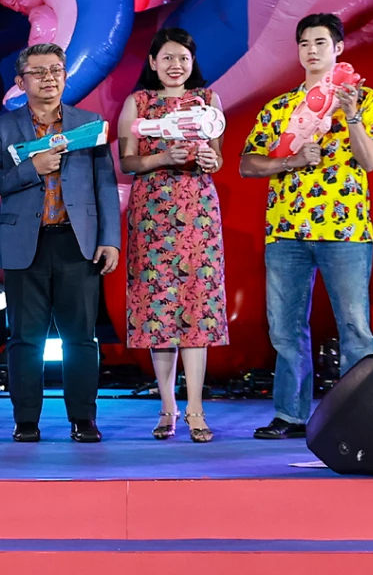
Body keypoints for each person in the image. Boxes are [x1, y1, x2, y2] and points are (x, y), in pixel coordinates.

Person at [239, 14, 373, 440]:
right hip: (286, 229)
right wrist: (290, 161)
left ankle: (356, 414)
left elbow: (371, 160)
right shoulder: (280, 106)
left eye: (320, 42)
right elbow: (248, 163)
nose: (312, 50)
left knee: (354, 327)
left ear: (338, 48)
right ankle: (290, 415)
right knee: (285, 328)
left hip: (345, 231)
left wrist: (352, 116)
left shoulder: (365, 99)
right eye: (304, 43)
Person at [0, 43, 119, 444]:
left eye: (56, 70)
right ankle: (26, 421)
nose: (49, 78)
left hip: (78, 242)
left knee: (81, 337)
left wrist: (110, 239)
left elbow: (104, 184)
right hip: (25, 243)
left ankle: (83, 419)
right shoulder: (0, 128)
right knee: (25, 339)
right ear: (20, 82)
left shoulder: (88, 123)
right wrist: (31, 169)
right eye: (38, 72)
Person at [116, 30, 225, 442]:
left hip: (198, 213)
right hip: (153, 216)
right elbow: (126, 161)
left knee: (196, 308)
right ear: (152, 62)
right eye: (167, 58)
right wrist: (162, 157)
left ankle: (196, 409)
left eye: (182, 58)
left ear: (192, 62)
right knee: (158, 311)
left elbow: (216, 156)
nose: (175, 65)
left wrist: (210, 158)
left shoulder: (208, 100)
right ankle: (167, 408)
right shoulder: (138, 103)